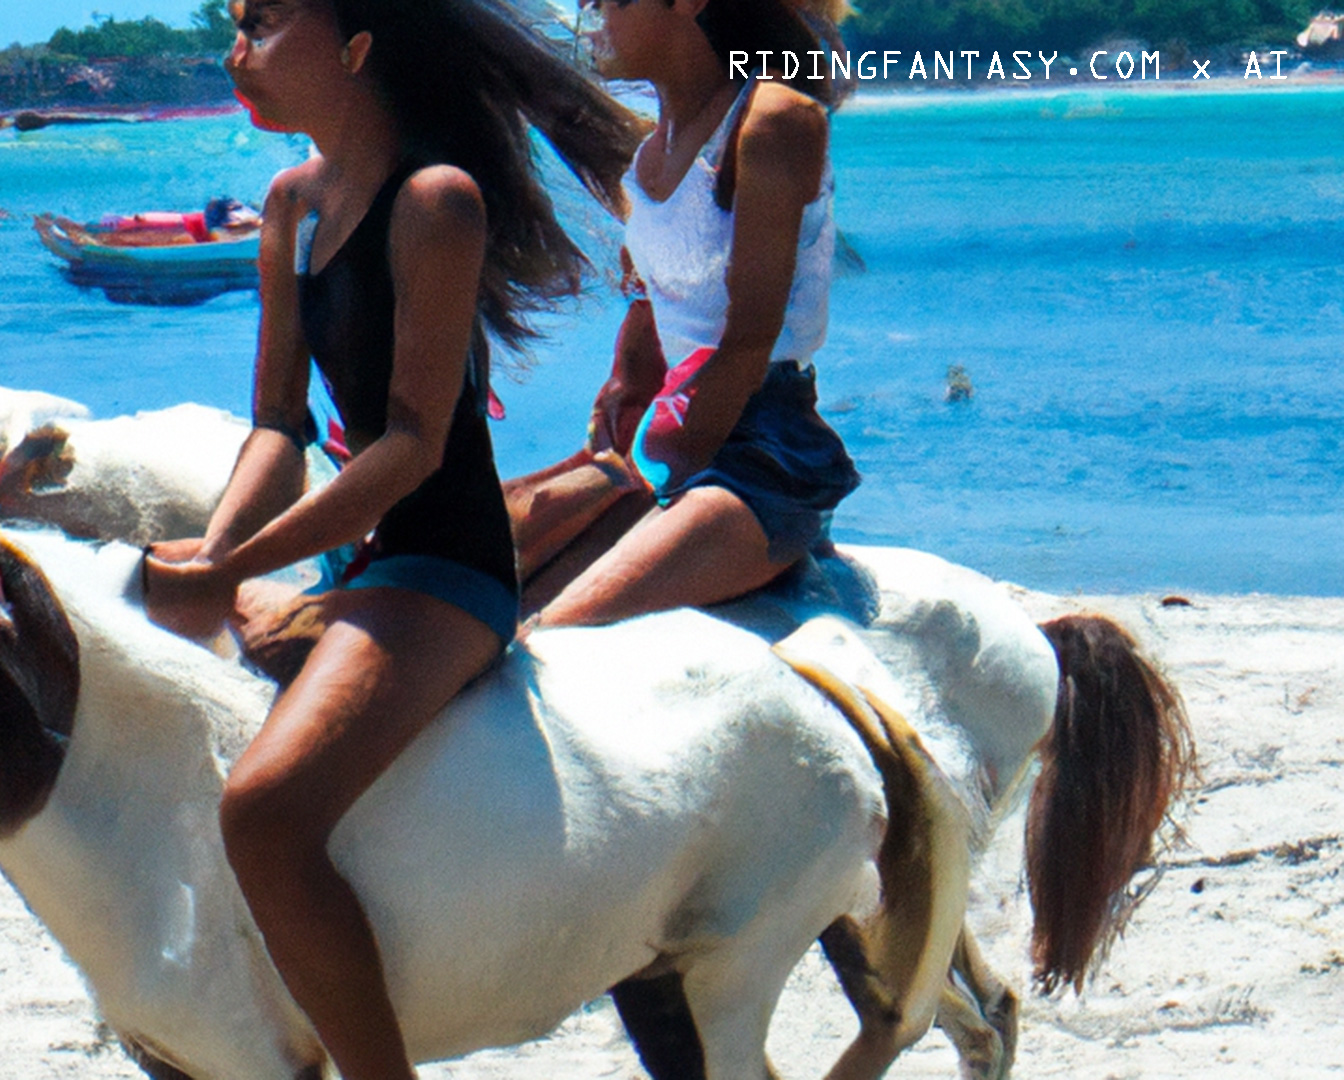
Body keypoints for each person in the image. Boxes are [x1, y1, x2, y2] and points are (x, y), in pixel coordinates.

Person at [139, 2, 640, 1077]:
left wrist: (232, 567)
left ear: (358, 47)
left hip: (448, 566)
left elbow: (414, 447)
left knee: (264, 814)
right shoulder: (291, 204)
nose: (236, 52)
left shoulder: (435, 200)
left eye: (265, 25)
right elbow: (276, 427)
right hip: (355, 562)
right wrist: (213, 551)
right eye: (235, 26)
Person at [523, 0, 860, 628]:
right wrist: (618, 411)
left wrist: (655, 475)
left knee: (562, 626)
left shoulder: (772, 121)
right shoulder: (651, 155)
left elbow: (749, 341)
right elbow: (660, 314)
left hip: (764, 456)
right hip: (677, 433)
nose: (589, 12)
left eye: (610, 0)